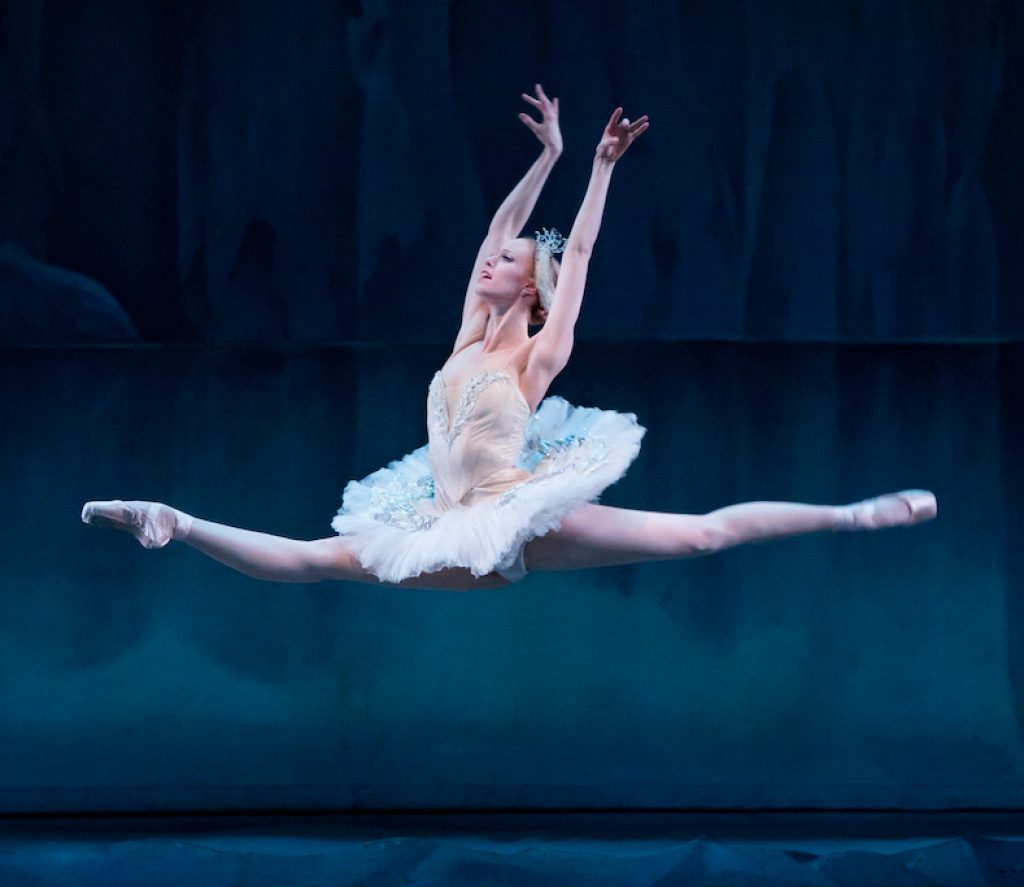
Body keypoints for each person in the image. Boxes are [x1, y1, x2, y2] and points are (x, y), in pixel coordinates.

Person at [82, 84, 936, 592]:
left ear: (529, 287)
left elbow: (582, 249)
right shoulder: (464, 343)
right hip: (441, 520)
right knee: (310, 561)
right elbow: (505, 221)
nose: (488, 257)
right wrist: (549, 155)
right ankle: (174, 521)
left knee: (702, 534)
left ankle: (848, 515)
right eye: (488, 255)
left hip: (516, 519)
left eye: (504, 260)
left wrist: (598, 169)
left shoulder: (537, 351)